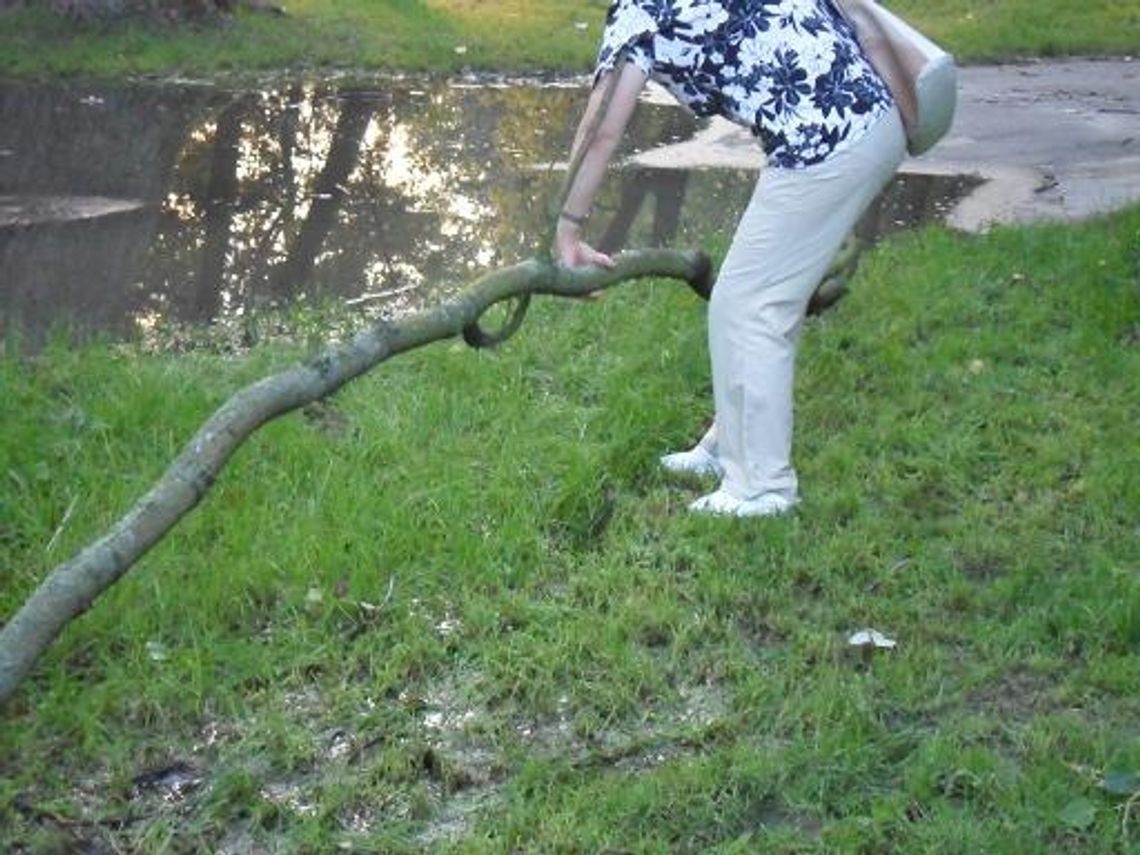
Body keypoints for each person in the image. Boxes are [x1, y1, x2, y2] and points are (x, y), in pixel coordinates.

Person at [555, 0, 905, 517]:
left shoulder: (638, 10)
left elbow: (603, 125)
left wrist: (568, 228)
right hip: (864, 122)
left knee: (749, 306)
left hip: (830, 140)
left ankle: (763, 487)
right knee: (754, 301)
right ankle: (728, 448)